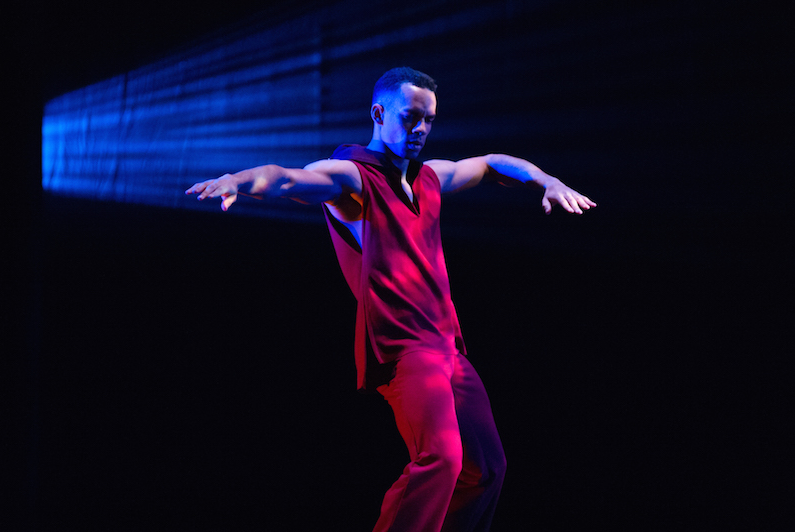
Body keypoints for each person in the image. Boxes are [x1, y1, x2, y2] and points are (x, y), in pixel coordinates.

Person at [186, 67, 596, 532]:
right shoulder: (353, 177)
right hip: (406, 350)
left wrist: (547, 181)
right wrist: (239, 180)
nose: (420, 129)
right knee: (441, 458)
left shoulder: (430, 178)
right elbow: (286, 178)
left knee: (488, 470)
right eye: (410, 117)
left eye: (429, 120)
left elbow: (489, 162)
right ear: (379, 114)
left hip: (449, 349)